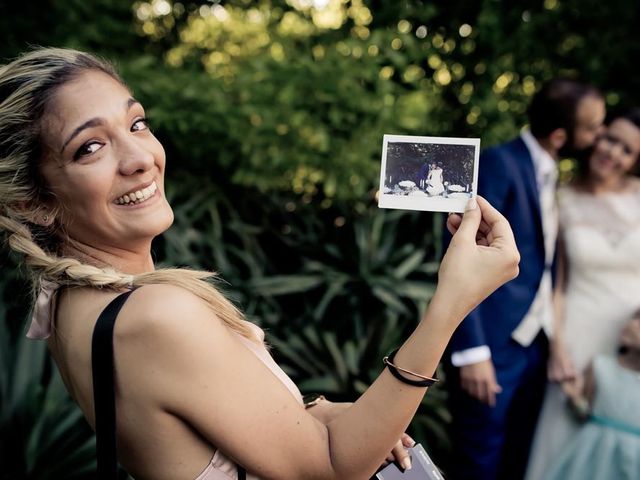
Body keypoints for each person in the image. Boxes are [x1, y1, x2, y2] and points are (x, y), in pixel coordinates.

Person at [0, 47, 520, 480]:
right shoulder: (156, 316)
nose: (140, 157)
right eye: (90, 147)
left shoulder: (68, 302)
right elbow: (331, 472)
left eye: (136, 123)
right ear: (33, 201)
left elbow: (204, 436)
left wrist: (319, 416)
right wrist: (451, 305)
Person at [444, 78, 606, 480]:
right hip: (493, 349)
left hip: (535, 348)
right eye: (592, 128)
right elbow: (457, 254)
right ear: (559, 135)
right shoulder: (500, 164)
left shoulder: (552, 175)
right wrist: (472, 351)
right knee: (479, 461)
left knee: (517, 459)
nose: (599, 136)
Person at [525, 108, 640, 479]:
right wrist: (558, 346)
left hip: (633, 341)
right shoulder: (563, 197)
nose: (612, 153)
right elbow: (556, 282)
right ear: (598, 135)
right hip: (579, 333)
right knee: (560, 438)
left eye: (627, 150)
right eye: (610, 139)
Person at [542, 310, 640, 480]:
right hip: (594, 454)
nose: (631, 324)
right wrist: (574, 397)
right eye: (634, 318)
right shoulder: (601, 367)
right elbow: (583, 412)